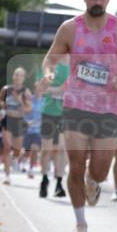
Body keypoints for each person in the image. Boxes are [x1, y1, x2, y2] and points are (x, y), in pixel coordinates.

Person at [42, 0, 117, 232]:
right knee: (74, 163)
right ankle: (80, 223)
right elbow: (50, 59)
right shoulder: (70, 28)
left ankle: (92, 180)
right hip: (75, 104)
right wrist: (49, 75)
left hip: (107, 107)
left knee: (100, 169)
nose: (97, 2)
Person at [39, 56, 69, 198]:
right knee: (46, 150)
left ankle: (59, 183)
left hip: (65, 113)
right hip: (49, 112)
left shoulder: (76, 63)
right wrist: (59, 89)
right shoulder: (50, 63)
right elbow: (41, 89)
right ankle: (44, 179)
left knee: (62, 149)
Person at [0, 67, 32, 184]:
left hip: (19, 121)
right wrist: (2, 103)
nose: (18, 77)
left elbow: (29, 109)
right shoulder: (6, 89)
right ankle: (7, 176)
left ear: (23, 78)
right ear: (13, 76)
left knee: (17, 150)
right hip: (7, 120)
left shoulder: (26, 92)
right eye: (16, 75)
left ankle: (14, 158)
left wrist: (19, 100)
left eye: (20, 75)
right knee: (7, 147)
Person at [21, 81, 44, 178]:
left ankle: (30, 169)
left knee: (34, 149)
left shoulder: (45, 102)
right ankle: (22, 161)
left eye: (41, 88)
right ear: (35, 89)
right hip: (28, 129)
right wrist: (26, 121)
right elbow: (23, 112)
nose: (39, 89)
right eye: (37, 88)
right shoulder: (30, 100)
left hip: (38, 131)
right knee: (26, 151)